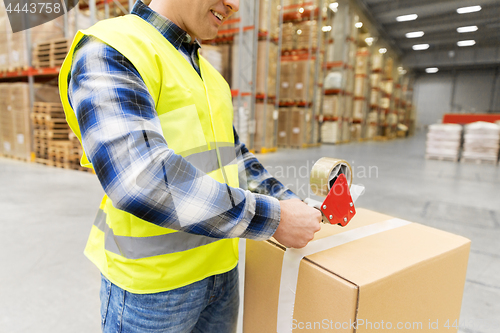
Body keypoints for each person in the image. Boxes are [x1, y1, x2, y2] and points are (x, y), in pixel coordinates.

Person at [58, 0, 322, 332]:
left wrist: (288, 201)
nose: (235, 5)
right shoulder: (113, 48)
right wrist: (275, 218)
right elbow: (141, 180)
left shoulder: (209, 74)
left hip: (221, 272)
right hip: (153, 290)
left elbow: (234, 158)